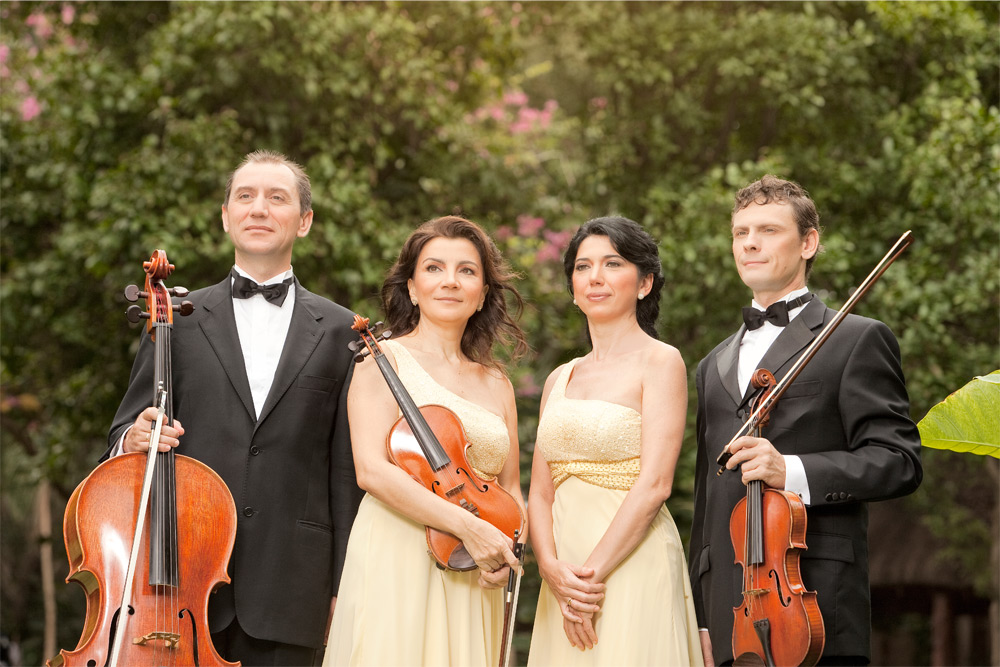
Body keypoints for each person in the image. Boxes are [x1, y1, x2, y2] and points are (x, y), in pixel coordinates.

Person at [106, 150, 364, 666]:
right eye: (244, 197)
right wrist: (130, 440)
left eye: (277, 198)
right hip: (179, 582)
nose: (259, 209)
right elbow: (122, 433)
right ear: (226, 216)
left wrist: (344, 586)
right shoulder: (175, 318)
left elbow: (344, 475)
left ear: (305, 221)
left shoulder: (343, 331)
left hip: (293, 590)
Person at [688, 175, 923, 666]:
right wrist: (702, 616)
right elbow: (707, 501)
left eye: (769, 230)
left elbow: (898, 462)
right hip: (732, 613)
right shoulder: (712, 365)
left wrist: (790, 471)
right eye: (740, 232)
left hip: (816, 605)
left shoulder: (855, 339)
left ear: (808, 242)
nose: (749, 242)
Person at [324, 215, 529, 666]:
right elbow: (372, 471)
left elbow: (511, 488)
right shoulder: (381, 359)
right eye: (434, 268)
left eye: (467, 271)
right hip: (400, 552)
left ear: (482, 295)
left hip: (475, 566)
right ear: (413, 288)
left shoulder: (497, 382)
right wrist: (469, 527)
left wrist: (507, 553)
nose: (450, 281)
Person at [527, 216, 703, 666]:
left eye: (613, 263)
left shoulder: (661, 363)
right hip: (562, 574)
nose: (596, 278)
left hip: (626, 562)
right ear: (572, 285)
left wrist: (588, 582)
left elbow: (655, 484)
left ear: (644, 283)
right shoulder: (558, 378)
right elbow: (540, 494)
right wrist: (551, 569)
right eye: (583, 267)